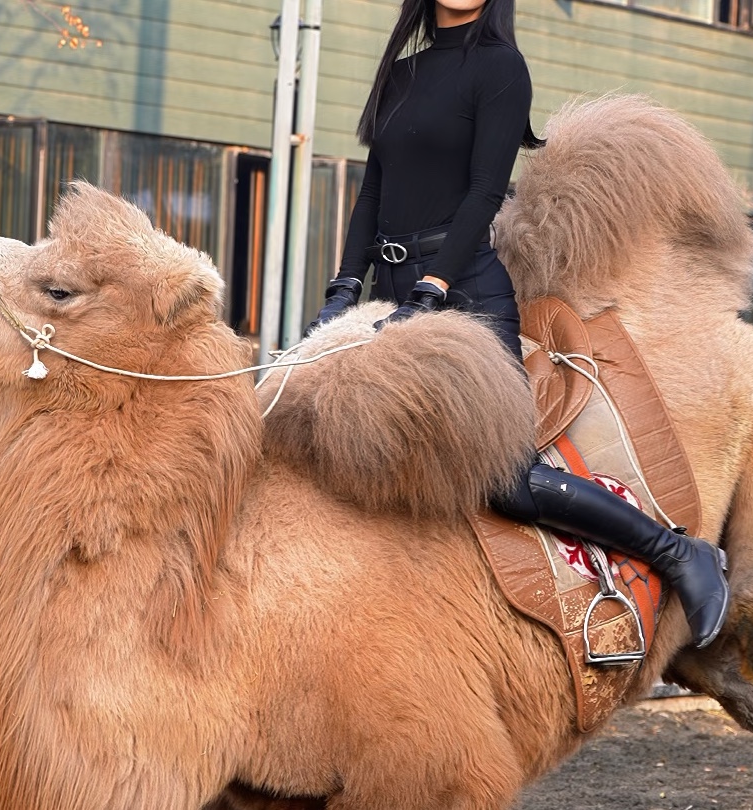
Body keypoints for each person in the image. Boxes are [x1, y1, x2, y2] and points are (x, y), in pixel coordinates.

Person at [305, 0, 729, 648]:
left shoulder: (502, 68)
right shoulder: (402, 71)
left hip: (467, 291)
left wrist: (434, 285)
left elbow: (483, 193)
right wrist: (341, 286)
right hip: (395, 291)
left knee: (506, 481)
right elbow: (374, 191)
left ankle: (677, 555)